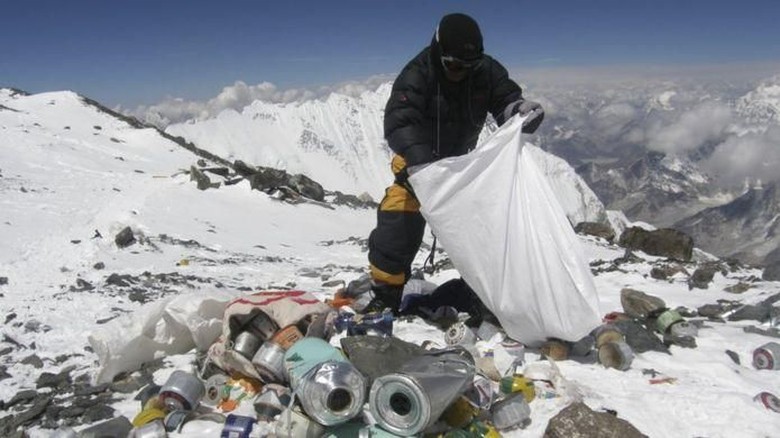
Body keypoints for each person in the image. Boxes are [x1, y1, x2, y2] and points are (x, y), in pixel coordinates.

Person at [364, 12, 545, 314]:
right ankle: (386, 295)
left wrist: (518, 110)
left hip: (462, 169)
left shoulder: (485, 71)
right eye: (454, 64)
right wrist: (421, 166)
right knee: (398, 223)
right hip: (416, 168)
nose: (461, 71)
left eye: (469, 65)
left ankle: (484, 293)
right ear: (438, 52)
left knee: (486, 228)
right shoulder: (417, 75)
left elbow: (505, 98)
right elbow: (399, 123)